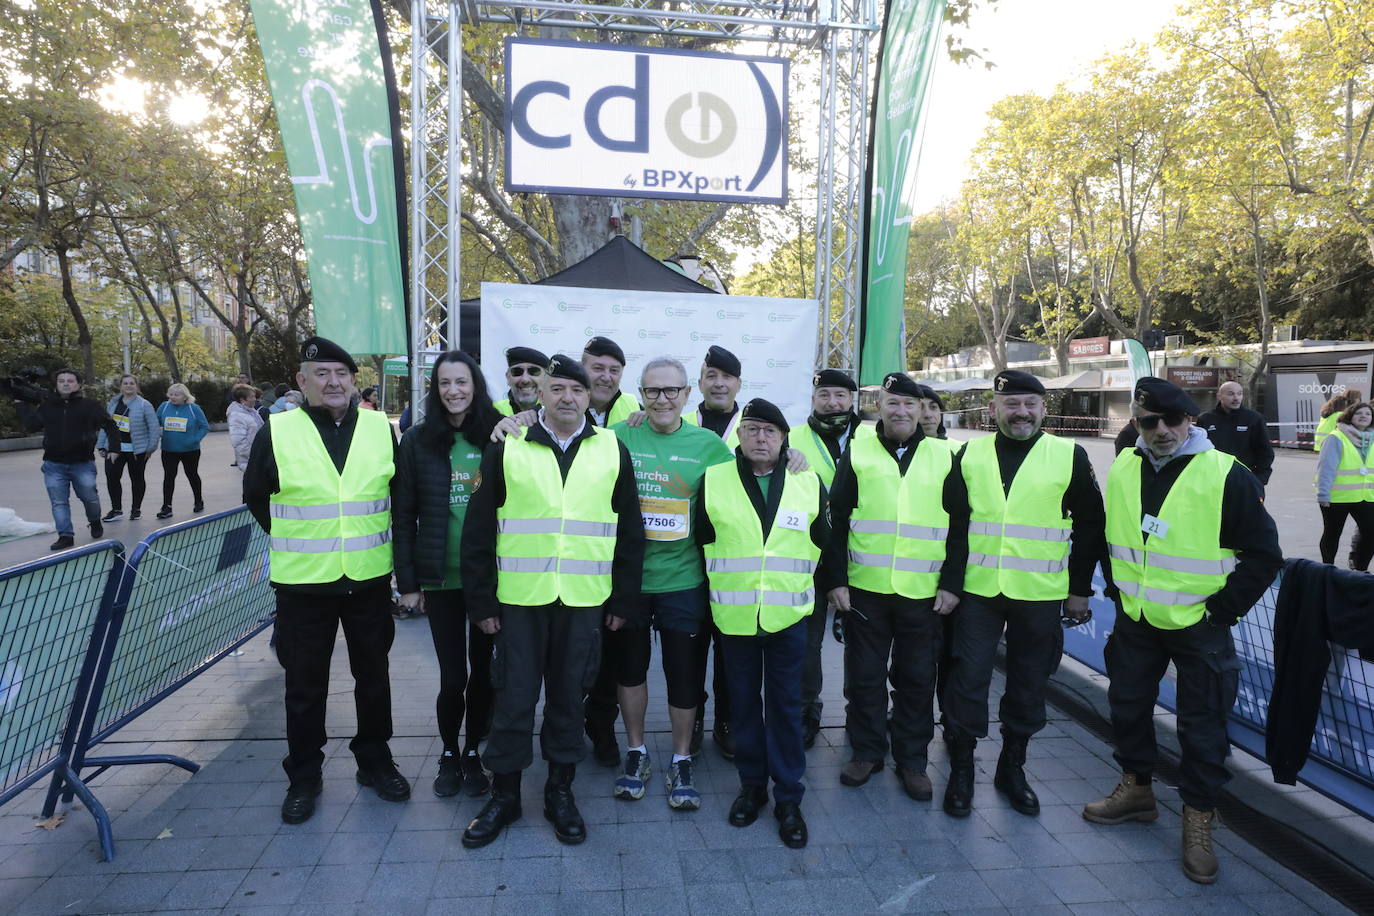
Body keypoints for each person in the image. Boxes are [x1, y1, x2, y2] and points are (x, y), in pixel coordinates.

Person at [1085, 376, 1282, 885]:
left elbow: (1264, 557)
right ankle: (1137, 790)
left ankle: (1198, 819)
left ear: (1191, 419)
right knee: (1127, 707)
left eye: (1174, 419)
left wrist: (1220, 613)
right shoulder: (1125, 465)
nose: (1163, 430)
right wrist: (1117, 593)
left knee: (1203, 725)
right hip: (1136, 620)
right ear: (1136, 423)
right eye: (1150, 421)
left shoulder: (1227, 474)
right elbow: (1117, 534)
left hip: (1200, 626)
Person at [459, 354, 644, 849]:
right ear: (540, 393)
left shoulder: (611, 448)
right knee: (513, 698)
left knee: (568, 699)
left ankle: (559, 791)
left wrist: (623, 598)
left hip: (583, 601)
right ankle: (505, 795)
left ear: (591, 397)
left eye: (577, 391)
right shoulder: (509, 444)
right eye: (557, 388)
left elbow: (629, 531)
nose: (567, 397)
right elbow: (478, 531)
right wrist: (481, 604)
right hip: (520, 601)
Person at [243, 336, 410, 825]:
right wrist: (303, 539)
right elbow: (257, 496)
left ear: (353, 381)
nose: (333, 382)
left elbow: (397, 497)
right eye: (322, 373)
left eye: (341, 373)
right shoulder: (277, 430)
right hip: (304, 585)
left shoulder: (381, 428)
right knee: (304, 685)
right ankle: (304, 776)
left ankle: (376, 761)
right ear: (302, 381)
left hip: (369, 578)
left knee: (374, 679)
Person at [941, 370, 1105, 819]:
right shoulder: (967, 454)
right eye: (1011, 404)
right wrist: (950, 584)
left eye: (1030, 403)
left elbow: (1092, 524)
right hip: (978, 591)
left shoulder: (1069, 455)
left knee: (1030, 683)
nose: (1021, 412)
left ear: (1043, 408)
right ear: (993, 408)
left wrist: (1079, 590)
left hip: (1039, 593)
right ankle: (961, 769)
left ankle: (1012, 768)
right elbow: (953, 524)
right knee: (968, 679)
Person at [822, 372, 970, 801]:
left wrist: (952, 585)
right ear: (878, 407)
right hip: (866, 591)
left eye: (910, 404)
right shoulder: (859, 450)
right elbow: (838, 520)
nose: (901, 411)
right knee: (864, 678)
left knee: (917, 680)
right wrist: (836, 580)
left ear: (922, 409)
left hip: (923, 595)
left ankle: (912, 761)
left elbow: (960, 526)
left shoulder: (947, 455)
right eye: (892, 404)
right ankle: (867, 751)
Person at [696, 398, 829, 848]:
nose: (760, 438)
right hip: (734, 620)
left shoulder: (807, 481)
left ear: (783, 438)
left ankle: (789, 798)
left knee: (787, 710)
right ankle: (752, 788)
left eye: (770, 431)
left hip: (789, 618)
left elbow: (823, 542)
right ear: (739, 435)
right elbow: (701, 542)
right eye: (751, 429)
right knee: (744, 709)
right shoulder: (713, 480)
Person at [602, 356, 733, 808]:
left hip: (684, 580)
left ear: (687, 395)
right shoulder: (617, 436)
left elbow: (744, 488)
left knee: (684, 674)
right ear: (640, 394)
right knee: (630, 669)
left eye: (671, 391)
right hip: (631, 582)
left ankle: (681, 758)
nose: (662, 399)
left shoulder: (710, 445)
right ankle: (636, 751)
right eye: (653, 391)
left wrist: (791, 455)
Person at [393, 351, 503, 799]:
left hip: (489, 581)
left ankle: (475, 750)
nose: (453, 391)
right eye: (444, 384)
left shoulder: (498, 435)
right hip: (439, 581)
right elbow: (403, 516)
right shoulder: (418, 441)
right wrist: (408, 584)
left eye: (461, 382)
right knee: (452, 677)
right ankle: (448, 752)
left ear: (475, 385)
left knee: (483, 676)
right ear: (435, 391)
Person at [788, 368, 861, 748]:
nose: (833, 403)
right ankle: (805, 709)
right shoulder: (791, 438)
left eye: (841, 396)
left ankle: (862, 715)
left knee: (866, 645)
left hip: (867, 559)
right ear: (813, 399)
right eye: (824, 396)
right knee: (808, 643)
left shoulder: (872, 437)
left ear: (852, 400)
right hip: (811, 560)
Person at [20, 368, 117, 549]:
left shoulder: (90, 405)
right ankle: (65, 535)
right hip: (53, 464)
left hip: (82, 463)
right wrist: (21, 402)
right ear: (56, 385)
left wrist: (115, 448)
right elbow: (32, 425)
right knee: (58, 502)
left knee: (90, 498)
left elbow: (111, 426)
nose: (66, 383)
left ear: (78, 384)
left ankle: (95, 520)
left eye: (70, 380)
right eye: (61, 381)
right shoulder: (48, 405)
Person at [1315, 400, 1373, 571]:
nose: (1363, 416)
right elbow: (1326, 468)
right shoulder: (1336, 437)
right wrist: (1323, 494)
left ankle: (1360, 569)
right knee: (1332, 534)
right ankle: (1328, 568)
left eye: (1368, 414)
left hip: (1365, 496)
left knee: (1371, 532)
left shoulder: (1372, 439)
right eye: (1359, 413)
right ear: (1350, 416)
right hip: (1336, 497)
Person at [95, 374, 160, 522]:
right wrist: (101, 445)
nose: (128, 386)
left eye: (132, 383)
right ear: (121, 386)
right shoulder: (113, 403)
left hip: (137, 451)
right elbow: (105, 426)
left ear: (136, 386)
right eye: (125, 383)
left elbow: (154, 428)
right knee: (112, 478)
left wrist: (150, 448)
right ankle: (116, 510)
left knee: (137, 479)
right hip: (114, 450)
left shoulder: (145, 404)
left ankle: (136, 509)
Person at [1196, 381, 1274, 488]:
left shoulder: (1254, 419)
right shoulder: (1205, 419)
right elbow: (1198, 451)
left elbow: (1265, 451)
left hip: (1245, 480)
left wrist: (1259, 479)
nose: (1236, 398)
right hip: (1214, 480)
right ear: (1219, 396)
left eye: (1239, 393)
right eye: (1231, 394)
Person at [155, 383, 210, 519]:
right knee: (169, 477)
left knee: (192, 474)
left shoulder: (193, 408)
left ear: (185, 396)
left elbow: (205, 427)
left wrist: (195, 439)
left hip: (190, 450)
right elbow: (154, 422)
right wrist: (157, 432)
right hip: (169, 450)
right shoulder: (164, 406)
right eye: (171, 394)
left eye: (176, 395)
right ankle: (166, 507)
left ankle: (198, 501)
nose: (173, 397)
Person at [685, 344, 744, 448]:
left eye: (727, 376)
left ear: (739, 385)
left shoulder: (752, 430)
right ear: (700, 384)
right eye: (711, 376)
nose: (719, 384)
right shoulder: (679, 425)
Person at [582, 336, 637, 427]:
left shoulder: (635, 407)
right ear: (581, 369)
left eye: (614, 370)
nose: (606, 378)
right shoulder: (565, 408)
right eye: (598, 368)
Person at [493, 346, 548, 416]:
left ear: (546, 378)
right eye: (517, 372)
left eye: (534, 371)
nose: (525, 379)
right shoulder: (491, 412)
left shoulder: (555, 415)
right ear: (508, 378)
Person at [228, 384, 263, 473]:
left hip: (258, 458)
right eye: (252, 397)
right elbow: (238, 442)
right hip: (250, 461)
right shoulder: (236, 416)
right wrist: (254, 455)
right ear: (242, 400)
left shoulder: (252, 412)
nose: (255, 399)